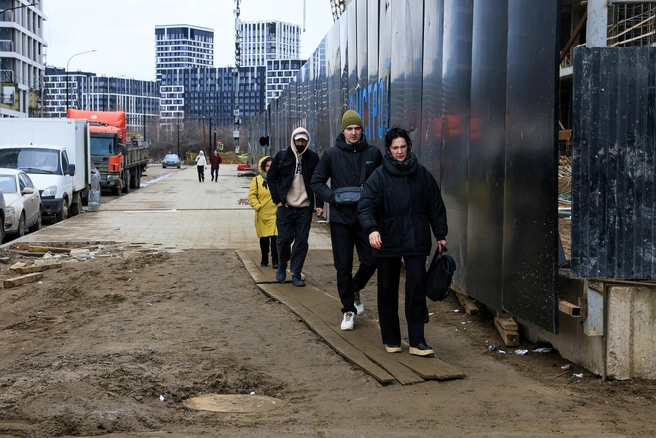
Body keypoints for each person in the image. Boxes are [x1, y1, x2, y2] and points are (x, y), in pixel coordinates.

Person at [358, 127, 448, 357]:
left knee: (416, 288)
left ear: (409, 147)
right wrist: (372, 230)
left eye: (403, 147)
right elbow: (366, 206)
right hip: (386, 240)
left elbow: (435, 206)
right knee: (387, 290)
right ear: (388, 149)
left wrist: (441, 234)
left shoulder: (422, 175)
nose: (399, 152)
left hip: (416, 238)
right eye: (395, 148)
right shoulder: (378, 177)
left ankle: (418, 341)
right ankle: (392, 339)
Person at [311, 110, 382, 331]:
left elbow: (383, 182)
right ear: (343, 131)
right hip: (341, 219)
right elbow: (317, 181)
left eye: (357, 128)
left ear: (362, 130)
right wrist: (332, 198)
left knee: (372, 260)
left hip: (365, 218)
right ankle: (348, 311)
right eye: (349, 129)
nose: (353, 132)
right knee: (342, 266)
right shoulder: (332, 154)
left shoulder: (373, 153)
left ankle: (353, 289)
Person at [268, 127, 324, 287]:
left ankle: (296, 273)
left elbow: (318, 182)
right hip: (285, 206)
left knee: (301, 241)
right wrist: (277, 199)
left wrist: (319, 204)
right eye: (297, 140)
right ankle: (282, 264)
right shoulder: (282, 156)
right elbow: (271, 177)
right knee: (284, 239)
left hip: (304, 208)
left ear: (307, 141)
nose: (300, 143)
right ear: (293, 140)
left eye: (303, 140)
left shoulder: (312, 158)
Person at [248, 156, 279, 269]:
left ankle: (276, 260)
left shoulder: (278, 179)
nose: (270, 168)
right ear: (263, 167)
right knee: (264, 238)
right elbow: (252, 196)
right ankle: (264, 258)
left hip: (275, 212)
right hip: (262, 213)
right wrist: (258, 206)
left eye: (272, 166)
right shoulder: (257, 180)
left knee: (276, 238)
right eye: (267, 166)